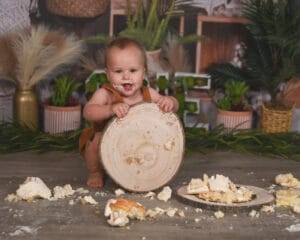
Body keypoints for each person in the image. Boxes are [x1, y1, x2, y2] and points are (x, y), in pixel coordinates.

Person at [79, 37, 179, 188]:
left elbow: (173, 106)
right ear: (107, 74)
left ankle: (139, 172)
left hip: (138, 143)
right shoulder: (105, 94)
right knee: (94, 141)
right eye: (118, 71)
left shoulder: (148, 93)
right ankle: (96, 172)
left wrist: (170, 102)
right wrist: (109, 109)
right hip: (108, 144)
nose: (126, 76)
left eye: (133, 70)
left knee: (154, 145)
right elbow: (88, 111)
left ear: (143, 72)